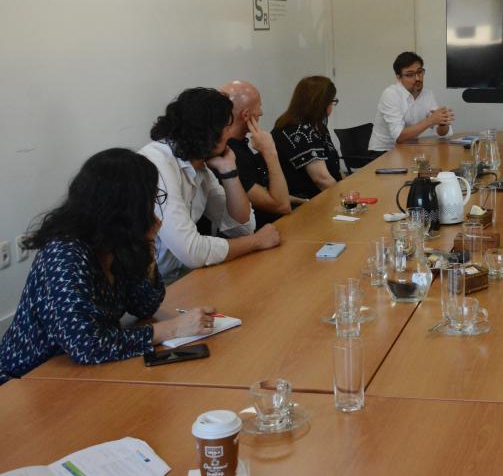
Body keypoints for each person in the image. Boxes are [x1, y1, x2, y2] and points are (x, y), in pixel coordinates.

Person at [0, 149, 217, 384]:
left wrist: (148, 248)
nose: (154, 209)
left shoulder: (114, 243)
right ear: (124, 208)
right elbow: (88, 346)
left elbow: (145, 306)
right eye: (150, 200)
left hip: (83, 374)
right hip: (26, 382)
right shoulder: (64, 254)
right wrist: (172, 329)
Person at [140, 88, 281, 281]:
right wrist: (256, 242)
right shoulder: (157, 165)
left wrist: (229, 172)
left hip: (182, 278)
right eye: (227, 128)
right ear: (209, 133)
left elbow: (241, 228)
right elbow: (192, 252)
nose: (231, 135)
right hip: (151, 287)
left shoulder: (200, 164)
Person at [219, 81, 292, 225]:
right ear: (246, 115)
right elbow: (281, 206)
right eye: (259, 106)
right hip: (258, 234)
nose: (261, 112)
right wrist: (270, 152)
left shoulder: (238, 144)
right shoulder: (229, 155)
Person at [272, 75, 343, 199]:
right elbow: (321, 180)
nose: (332, 105)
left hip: (325, 196)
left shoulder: (317, 126)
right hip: (305, 203)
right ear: (320, 103)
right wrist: (346, 198)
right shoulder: (297, 131)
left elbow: (334, 167)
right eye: (332, 101)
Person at [368, 52, 454, 152]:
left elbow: (442, 133)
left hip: (408, 149)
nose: (417, 78)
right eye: (410, 75)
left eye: (419, 72)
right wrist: (431, 120)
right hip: (383, 152)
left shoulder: (427, 94)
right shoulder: (390, 94)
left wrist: (442, 123)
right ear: (399, 77)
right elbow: (399, 137)